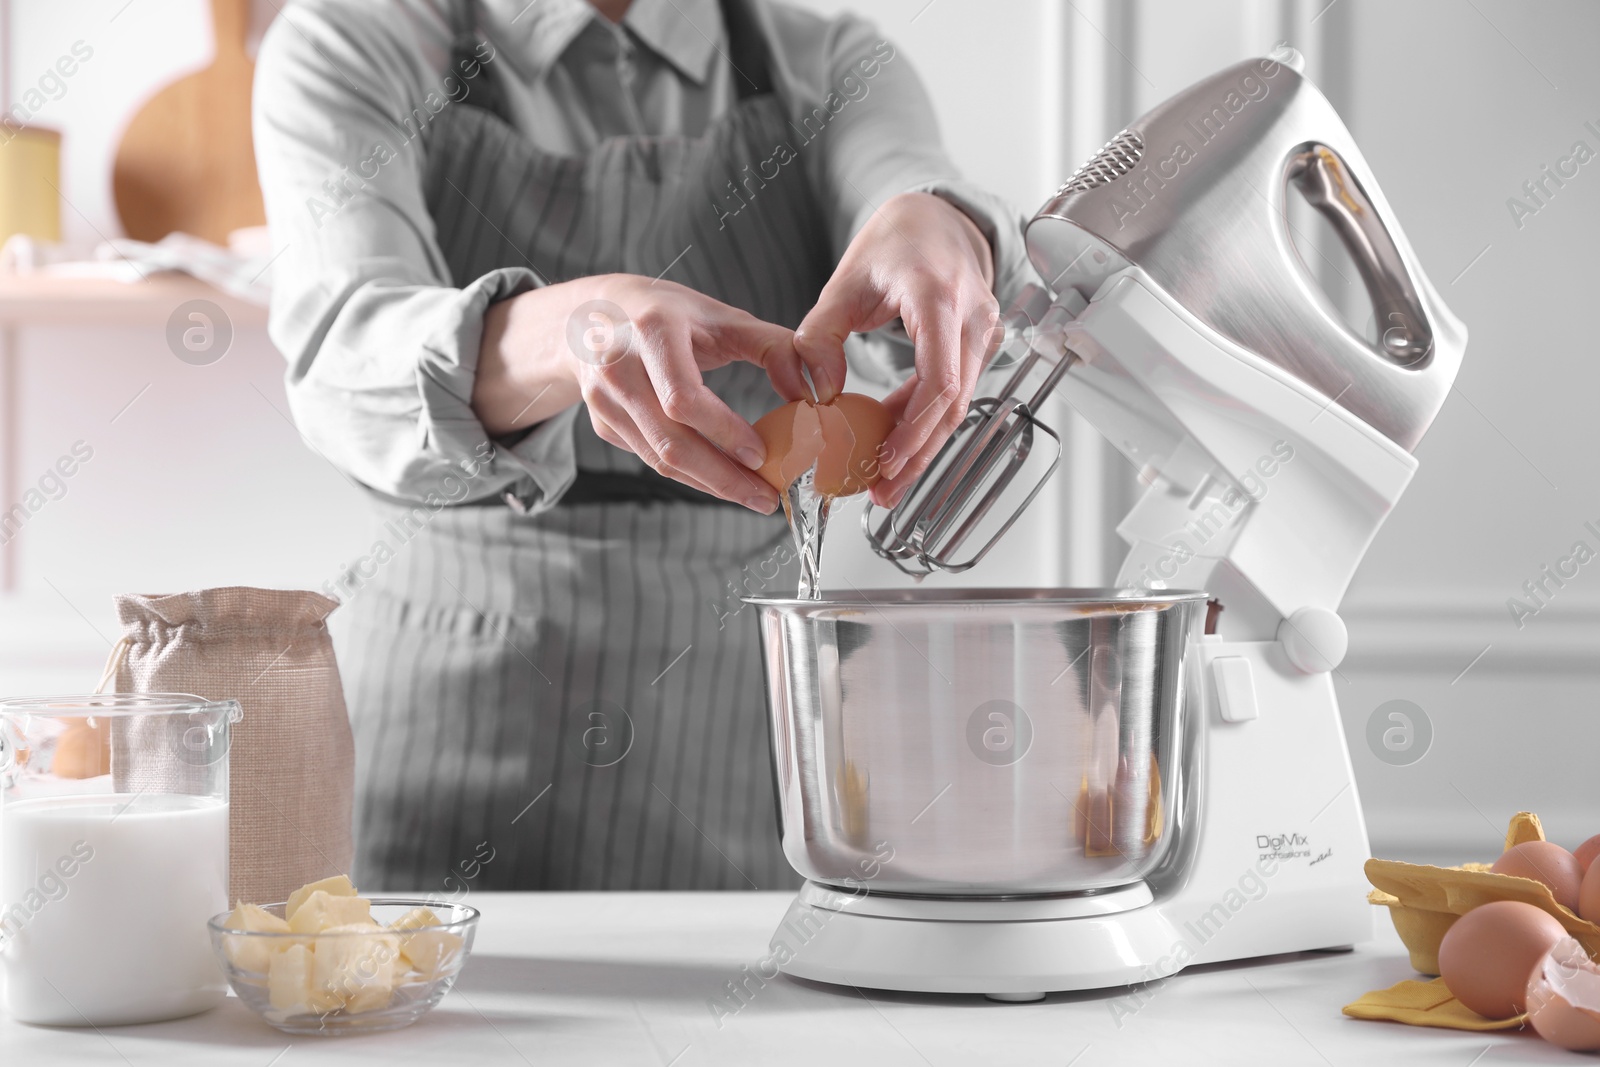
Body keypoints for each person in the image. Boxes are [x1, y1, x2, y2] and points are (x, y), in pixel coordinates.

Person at [254, 0, 1031, 892]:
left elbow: (905, 185)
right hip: (441, 725)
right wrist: (575, 331)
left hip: (733, 730)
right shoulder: (354, 38)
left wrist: (944, 226)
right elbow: (344, 360)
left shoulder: (828, 59)